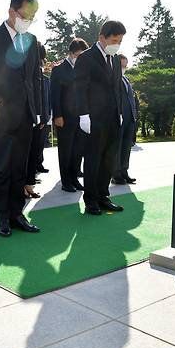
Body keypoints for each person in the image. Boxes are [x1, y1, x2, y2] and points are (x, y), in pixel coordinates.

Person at [0, 0, 42, 237]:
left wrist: (37, 111)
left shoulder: (31, 40)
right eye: (27, 14)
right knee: (2, 168)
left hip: (25, 115)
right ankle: (2, 216)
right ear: (12, 11)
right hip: (0, 114)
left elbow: (35, 78)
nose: (29, 20)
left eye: (33, 16)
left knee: (20, 168)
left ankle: (17, 213)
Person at [74, 20, 126, 216]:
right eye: (114, 40)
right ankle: (91, 200)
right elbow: (80, 88)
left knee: (108, 159)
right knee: (93, 159)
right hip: (93, 118)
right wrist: (83, 115)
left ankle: (103, 196)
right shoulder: (87, 58)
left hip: (112, 117)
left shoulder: (114, 59)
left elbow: (117, 89)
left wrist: (119, 112)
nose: (117, 43)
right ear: (101, 37)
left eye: (120, 40)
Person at [51, 37, 88, 192]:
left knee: (78, 150)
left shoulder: (84, 69)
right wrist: (57, 115)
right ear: (72, 53)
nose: (81, 58)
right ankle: (66, 181)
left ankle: (74, 178)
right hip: (65, 118)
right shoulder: (59, 69)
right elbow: (54, 95)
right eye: (79, 55)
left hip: (81, 117)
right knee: (66, 150)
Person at [25, 43, 51, 198]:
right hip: (24, 120)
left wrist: (43, 118)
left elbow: (43, 99)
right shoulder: (22, 72)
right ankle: (20, 186)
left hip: (39, 121)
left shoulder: (42, 76)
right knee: (23, 155)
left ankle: (29, 185)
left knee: (33, 154)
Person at [112, 54, 138, 185]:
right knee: (118, 146)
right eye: (122, 65)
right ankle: (116, 174)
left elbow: (131, 99)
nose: (124, 67)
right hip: (119, 118)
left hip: (130, 118)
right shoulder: (113, 79)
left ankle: (124, 171)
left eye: (126, 65)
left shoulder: (126, 79)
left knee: (126, 146)